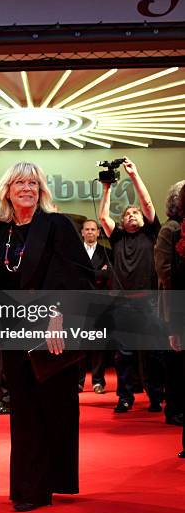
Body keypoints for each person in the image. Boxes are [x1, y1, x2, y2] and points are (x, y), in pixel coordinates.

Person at [0, 162, 94, 512]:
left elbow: (78, 275)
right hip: (11, 332)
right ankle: (26, 485)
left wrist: (58, 316)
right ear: (7, 190)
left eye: (33, 183)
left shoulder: (56, 225)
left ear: (41, 190)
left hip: (50, 331)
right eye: (20, 182)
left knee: (50, 407)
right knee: (22, 411)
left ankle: (40, 488)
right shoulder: (1, 231)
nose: (27, 188)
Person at [99, 157, 162, 413]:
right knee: (123, 355)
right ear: (123, 221)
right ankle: (125, 397)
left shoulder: (150, 232)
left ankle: (157, 396)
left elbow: (147, 202)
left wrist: (134, 175)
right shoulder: (118, 238)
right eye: (128, 214)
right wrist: (107, 187)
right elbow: (103, 215)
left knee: (154, 353)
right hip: (123, 303)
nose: (132, 215)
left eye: (135, 213)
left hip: (149, 301)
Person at [155, 181, 185, 427]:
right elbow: (165, 270)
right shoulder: (170, 229)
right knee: (176, 362)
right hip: (174, 303)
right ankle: (174, 409)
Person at [78, 219, 111, 394]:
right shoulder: (75, 252)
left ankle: (98, 382)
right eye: (87, 229)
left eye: (93, 229)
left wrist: (90, 275)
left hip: (100, 304)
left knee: (98, 343)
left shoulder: (107, 252)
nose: (90, 232)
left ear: (98, 232)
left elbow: (108, 275)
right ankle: (79, 381)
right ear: (82, 232)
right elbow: (75, 275)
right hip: (80, 304)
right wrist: (97, 274)